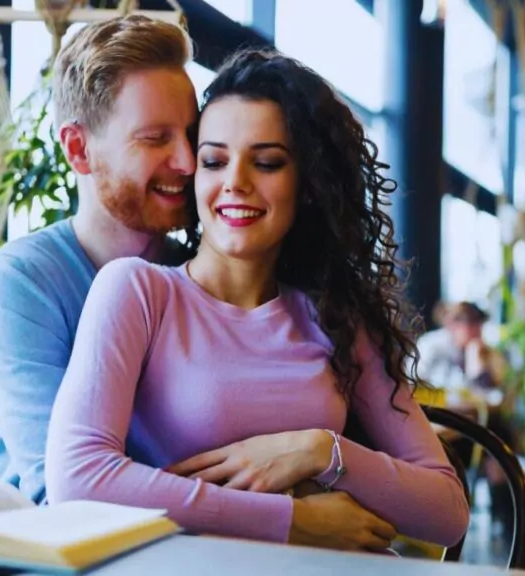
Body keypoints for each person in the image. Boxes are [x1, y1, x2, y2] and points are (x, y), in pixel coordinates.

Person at [45, 48, 470, 551]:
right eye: (214, 160)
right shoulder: (138, 292)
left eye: (267, 162)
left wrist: (319, 451)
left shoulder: (337, 319)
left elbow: (447, 513)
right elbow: (78, 480)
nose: (235, 183)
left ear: (307, 186)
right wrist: (289, 519)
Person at [0, 15, 199, 504]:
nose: (188, 162)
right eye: (156, 138)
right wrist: (274, 508)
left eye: (192, 135)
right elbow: (70, 492)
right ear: (79, 149)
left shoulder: (200, 272)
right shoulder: (20, 283)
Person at [415, 301, 516, 545]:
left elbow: (496, 396)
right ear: (451, 323)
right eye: (467, 323)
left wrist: (476, 362)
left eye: (478, 324)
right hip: (439, 425)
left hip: (475, 425)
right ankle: (449, 525)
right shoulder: (431, 347)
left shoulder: (486, 352)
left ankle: (508, 526)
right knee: (486, 437)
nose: (473, 329)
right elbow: (416, 387)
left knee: (499, 438)